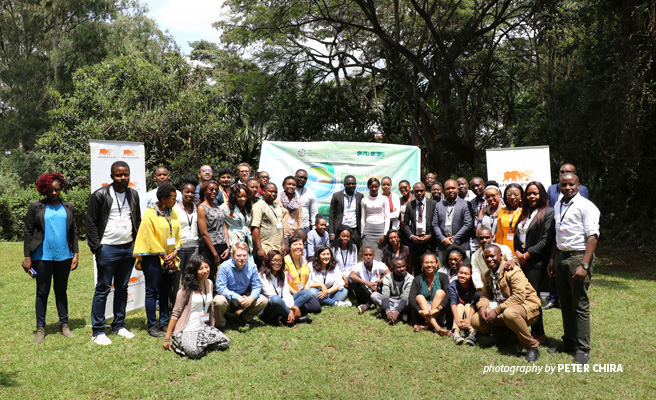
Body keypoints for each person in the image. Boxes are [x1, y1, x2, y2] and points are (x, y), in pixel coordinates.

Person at [547, 173, 599, 365]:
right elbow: (557, 233)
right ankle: (568, 342)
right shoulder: (560, 203)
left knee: (580, 305)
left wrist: (584, 265)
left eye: (571, 184)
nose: (567, 187)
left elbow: (593, 237)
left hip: (578, 257)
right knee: (565, 302)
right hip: (561, 256)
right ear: (559, 186)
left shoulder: (587, 206)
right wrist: (552, 259)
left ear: (578, 185)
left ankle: (583, 349)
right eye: (564, 184)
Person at [87, 161, 141, 345]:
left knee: (122, 287)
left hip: (127, 248)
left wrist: (137, 245)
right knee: (102, 288)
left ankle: (119, 325)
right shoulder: (100, 195)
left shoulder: (133, 195)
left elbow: (138, 221)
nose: (122, 178)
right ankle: (98, 330)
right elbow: (91, 223)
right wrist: (97, 248)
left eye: (125, 174)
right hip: (107, 248)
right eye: (118, 175)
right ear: (112, 176)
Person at [23, 173, 78, 343]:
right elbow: (28, 232)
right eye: (50, 189)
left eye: (57, 189)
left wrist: (75, 253)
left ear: (61, 188)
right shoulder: (36, 207)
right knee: (42, 292)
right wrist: (27, 257)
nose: (54, 192)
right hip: (42, 256)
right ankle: (40, 328)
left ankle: (64, 325)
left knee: (61, 291)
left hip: (64, 256)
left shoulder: (68, 207)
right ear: (44, 189)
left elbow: (74, 231)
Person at [471, 245, 541, 362]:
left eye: (492, 256)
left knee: (510, 313)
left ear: (500, 256)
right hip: (505, 308)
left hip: (526, 307)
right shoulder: (488, 275)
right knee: (475, 320)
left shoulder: (512, 271)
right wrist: (482, 307)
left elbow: (519, 296)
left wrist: (497, 310)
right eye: (486, 257)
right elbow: (485, 295)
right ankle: (508, 335)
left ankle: (532, 347)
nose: (489, 259)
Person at [133, 183, 182, 337]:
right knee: (152, 291)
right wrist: (162, 254)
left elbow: (177, 232)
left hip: (169, 258)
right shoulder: (150, 213)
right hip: (153, 258)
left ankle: (164, 321)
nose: (175, 201)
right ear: (163, 199)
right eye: (173, 198)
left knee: (166, 291)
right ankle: (152, 325)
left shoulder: (172, 212)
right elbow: (148, 236)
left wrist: (173, 253)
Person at [163, 255, 229, 358]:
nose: (205, 271)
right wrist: (167, 338)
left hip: (203, 327)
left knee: (225, 342)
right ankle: (179, 341)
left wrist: (211, 324)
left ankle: (198, 344)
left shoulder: (210, 283)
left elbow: (208, 308)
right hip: (187, 329)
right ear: (194, 271)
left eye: (206, 267)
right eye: (200, 268)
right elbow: (176, 313)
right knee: (194, 352)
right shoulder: (186, 288)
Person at [545, 163, 590, 310]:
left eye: (568, 172)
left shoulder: (582, 191)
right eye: (562, 171)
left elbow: (587, 224)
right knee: (555, 271)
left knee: (577, 297)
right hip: (557, 233)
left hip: (575, 241)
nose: (564, 173)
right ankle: (553, 298)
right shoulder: (552, 189)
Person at [514, 181, 554, 345]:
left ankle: (540, 334)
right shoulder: (525, 212)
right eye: (529, 194)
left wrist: (526, 256)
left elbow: (546, 241)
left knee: (533, 298)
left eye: (535, 193)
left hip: (536, 263)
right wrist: (517, 252)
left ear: (542, 195)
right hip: (523, 261)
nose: (531, 196)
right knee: (523, 297)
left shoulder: (548, 213)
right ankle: (531, 331)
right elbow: (517, 235)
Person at [214, 242, 268, 329]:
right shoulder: (224, 266)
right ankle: (221, 323)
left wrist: (251, 298)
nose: (242, 258)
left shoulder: (252, 267)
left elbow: (257, 286)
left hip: (244, 296)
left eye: (244, 255)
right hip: (227, 297)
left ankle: (244, 318)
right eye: (238, 255)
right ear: (233, 255)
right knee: (218, 301)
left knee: (263, 300)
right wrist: (237, 297)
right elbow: (221, 288)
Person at [259, 250, 313, 326]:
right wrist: (292, 308)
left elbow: (286, 293)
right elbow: (272, 295)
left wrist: (291, 307)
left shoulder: (283, 274)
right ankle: (295, 319)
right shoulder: (262, 276)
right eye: (274, 260)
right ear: (268, 261)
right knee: (276, 299)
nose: (277, 263)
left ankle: (283, 317)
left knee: (306, 293)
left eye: (279, 261)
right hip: (269, 308)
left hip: (282, 303)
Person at [172, 175, 200, 316]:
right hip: (180, 248)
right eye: (187, 192)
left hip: (194, 247)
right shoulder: (175, 209)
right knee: (176, 279)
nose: (190, 194)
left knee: (190, 279)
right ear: (181, 192)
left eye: (192, 192)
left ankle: (188, 307)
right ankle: (175, 308)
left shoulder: (196, 208)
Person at [432, 179, 472, 264]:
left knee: (463, 272)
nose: (450, 190)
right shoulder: (438, 205)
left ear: (457, 189)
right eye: (448, 188)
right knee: (445, 273)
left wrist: (454, 240)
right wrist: (443, 240)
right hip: (443, 246)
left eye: (453, 188)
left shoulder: (465, 204)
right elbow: (435, 224)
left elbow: (468, 224)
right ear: (444, 190)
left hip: (461, 245)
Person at [197, 180, 229, 284]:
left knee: (225, 276)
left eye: (216, 190)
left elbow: (223, 226)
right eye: (211, 189)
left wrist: (228, 246)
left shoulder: (217, 206)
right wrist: (215, 254)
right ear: (204, 191)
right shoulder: (202, 208)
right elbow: (204, 233)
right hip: (210, 248)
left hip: (222, 246)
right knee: (209, 276)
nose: (214, 192)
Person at [409, 252, 449, 334]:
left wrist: (437, 309)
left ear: (437, 264)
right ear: (422, 264)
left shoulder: (443, 277)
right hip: (422, 314)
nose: (429, 265)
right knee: (419, 297)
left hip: (438, 312)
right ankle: (438, 328)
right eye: (426, 262)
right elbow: (411, 298)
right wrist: (420, 311)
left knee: (440, 292)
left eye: (432, 262)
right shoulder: (417, 279)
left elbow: (448, 293)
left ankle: (427, 325)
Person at [402, 182, 436, 275]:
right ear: (413, 192)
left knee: (430, 267)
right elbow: (405, 224)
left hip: (429, 242)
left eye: (421, 191)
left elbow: (436, 223)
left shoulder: (433, 204)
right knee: (417, 268)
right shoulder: (410, 205)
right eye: (417, 191)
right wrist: (411, 236)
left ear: (425, 191)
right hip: (415, 242)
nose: (419, 193)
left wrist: (430, 235)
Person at [285, 235, 322, 313]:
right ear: (290, 247)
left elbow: (307, 278)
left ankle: (298, 307)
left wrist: (306, 291)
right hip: (291, 293)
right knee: (305, 307)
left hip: (304, 291)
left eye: (300, 244)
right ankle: (289, 310)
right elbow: (284, 283)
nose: (298, 247)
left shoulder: (303, 259)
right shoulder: (286, 260)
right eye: (295, 245)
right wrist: (300, 294)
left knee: (316, 308)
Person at [349, 247, 389, 314]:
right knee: (355, 281)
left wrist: (376, 283)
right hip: (364, 294)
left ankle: (367, 305)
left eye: (370, 255)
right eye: (366, 255)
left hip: (377, 291)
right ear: (362, 256)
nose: (368, 257)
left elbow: (389, 274)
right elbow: (351, 276)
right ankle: (375, 303)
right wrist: (367, 283)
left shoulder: (379, 264)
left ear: (373, 256)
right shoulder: (358, 265)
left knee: (384, 278)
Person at [252, 183, 285, 261]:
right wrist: (259, 249)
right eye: (270, 191)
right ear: (263, 191)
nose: (273, 194)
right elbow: (255, 228)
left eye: (275, 192)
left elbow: (281, 226)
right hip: (265, 248)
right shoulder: (258, 206)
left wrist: (283, 244)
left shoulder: (277, 206)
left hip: (278, 248)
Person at [328, 175, 364, 248]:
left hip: (355, 230)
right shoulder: (336, 196)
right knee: (338, 252)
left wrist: (361, 233)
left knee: (354, 252)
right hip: (340, 230)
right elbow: (332, 215)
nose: (351, 186)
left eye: (353, 183)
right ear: (344, 184)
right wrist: (331, 232)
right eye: (348, 184)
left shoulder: (360, 196)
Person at [361, 177, 390, 261]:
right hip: (368, 229)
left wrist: (385, 234)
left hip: (380, 229)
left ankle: (379, 274)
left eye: (376, 187)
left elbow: (387, 218)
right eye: (371, 187)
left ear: (378, 187)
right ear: (368, 187)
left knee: (379, 256)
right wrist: (362, 234)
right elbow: (363, 218)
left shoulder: (384, 198)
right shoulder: (364, 200)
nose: (374, 189)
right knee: (367, 255)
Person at [221, 184, 254, 255]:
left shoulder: (247, 208)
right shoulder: (225, 208)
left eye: (245, 196)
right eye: (240, 196)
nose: (243, 199)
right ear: (234, 196)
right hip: (233, 241)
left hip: (247, 241)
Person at [449, 264, 477, 346]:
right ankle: (456, 333)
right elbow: (452, 302)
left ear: (471, 275)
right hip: (457, 312)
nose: (462, 276)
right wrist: (457, 318)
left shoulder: (474, 285)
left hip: (471, 311)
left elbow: (474, 303)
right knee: (460, 305)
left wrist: (468, 319)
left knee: (468, 305)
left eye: (466, 274)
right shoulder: (453, 285)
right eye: (460, 273)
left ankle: (472, 333)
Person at [380, 257, 413, 325]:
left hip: (403, 302)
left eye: (403, 266)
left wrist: (396, 313)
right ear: (393, 268)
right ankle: (399, 316)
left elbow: (405, 297)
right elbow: (385, 295)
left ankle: (391, 314)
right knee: (374, 296)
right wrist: (388, 311)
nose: (402, 269)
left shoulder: (410, 279)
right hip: (391, 301)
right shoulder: (387, 277)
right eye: (399, 267)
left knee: (412, 301)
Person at [496, 183, 523, 252]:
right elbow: (500, 233)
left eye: (516, 194)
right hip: (506, 248)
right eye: (509, 195)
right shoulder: (501, 210)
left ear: (521, 196)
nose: (512, 197)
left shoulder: (525, 211)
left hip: (521, 249)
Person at [276, 176, 304, 242]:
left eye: (293, 185)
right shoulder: (278, 199)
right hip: (282, 234)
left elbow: (300, 218)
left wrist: (300, 232)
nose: (291, 186)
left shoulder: (298, 201)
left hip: (294, 235)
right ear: (284, 186)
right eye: (289, 184)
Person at [295, 169, 318, 233]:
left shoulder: (310, 193)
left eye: (305, 178)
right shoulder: (289, 191)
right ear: (295, 177)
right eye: (300, 177)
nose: (302, 180)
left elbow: (314, 211)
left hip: (305, 227)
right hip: (291, 227)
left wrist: (314, 227)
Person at [468, 177, 487, 252]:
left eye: (478, 185)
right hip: (475, 239)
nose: (476, 188)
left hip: (488, 237)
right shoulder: (472, 202)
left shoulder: (491, 199)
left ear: (483, 185)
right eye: (473, 187)